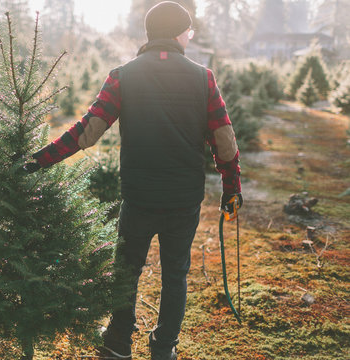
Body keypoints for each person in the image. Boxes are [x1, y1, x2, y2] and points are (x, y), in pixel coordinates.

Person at [25, 2, 243, 359]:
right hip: (183, 199)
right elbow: (225, 141)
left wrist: (39, 160)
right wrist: (232, 189)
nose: (191, 35)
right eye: (188, 30)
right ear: (177, 33)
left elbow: (88, 131)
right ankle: (163, 348)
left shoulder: (123, 75)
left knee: (125, 271)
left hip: (139, 197)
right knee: (176, 275)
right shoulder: (203, 78)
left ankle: (118, 343)